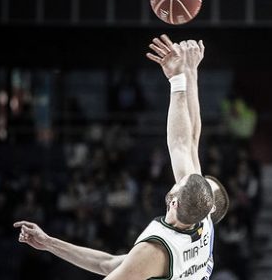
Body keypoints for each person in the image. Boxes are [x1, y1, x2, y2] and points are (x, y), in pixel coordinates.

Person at [13, 34, 229, 279]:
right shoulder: (202, 223)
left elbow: (111, 269)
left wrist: (182, 76)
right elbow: (188, 141)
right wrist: (188, 73)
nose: (181, 176)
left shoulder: (156, 250)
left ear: (173, 201)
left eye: (179, 183)